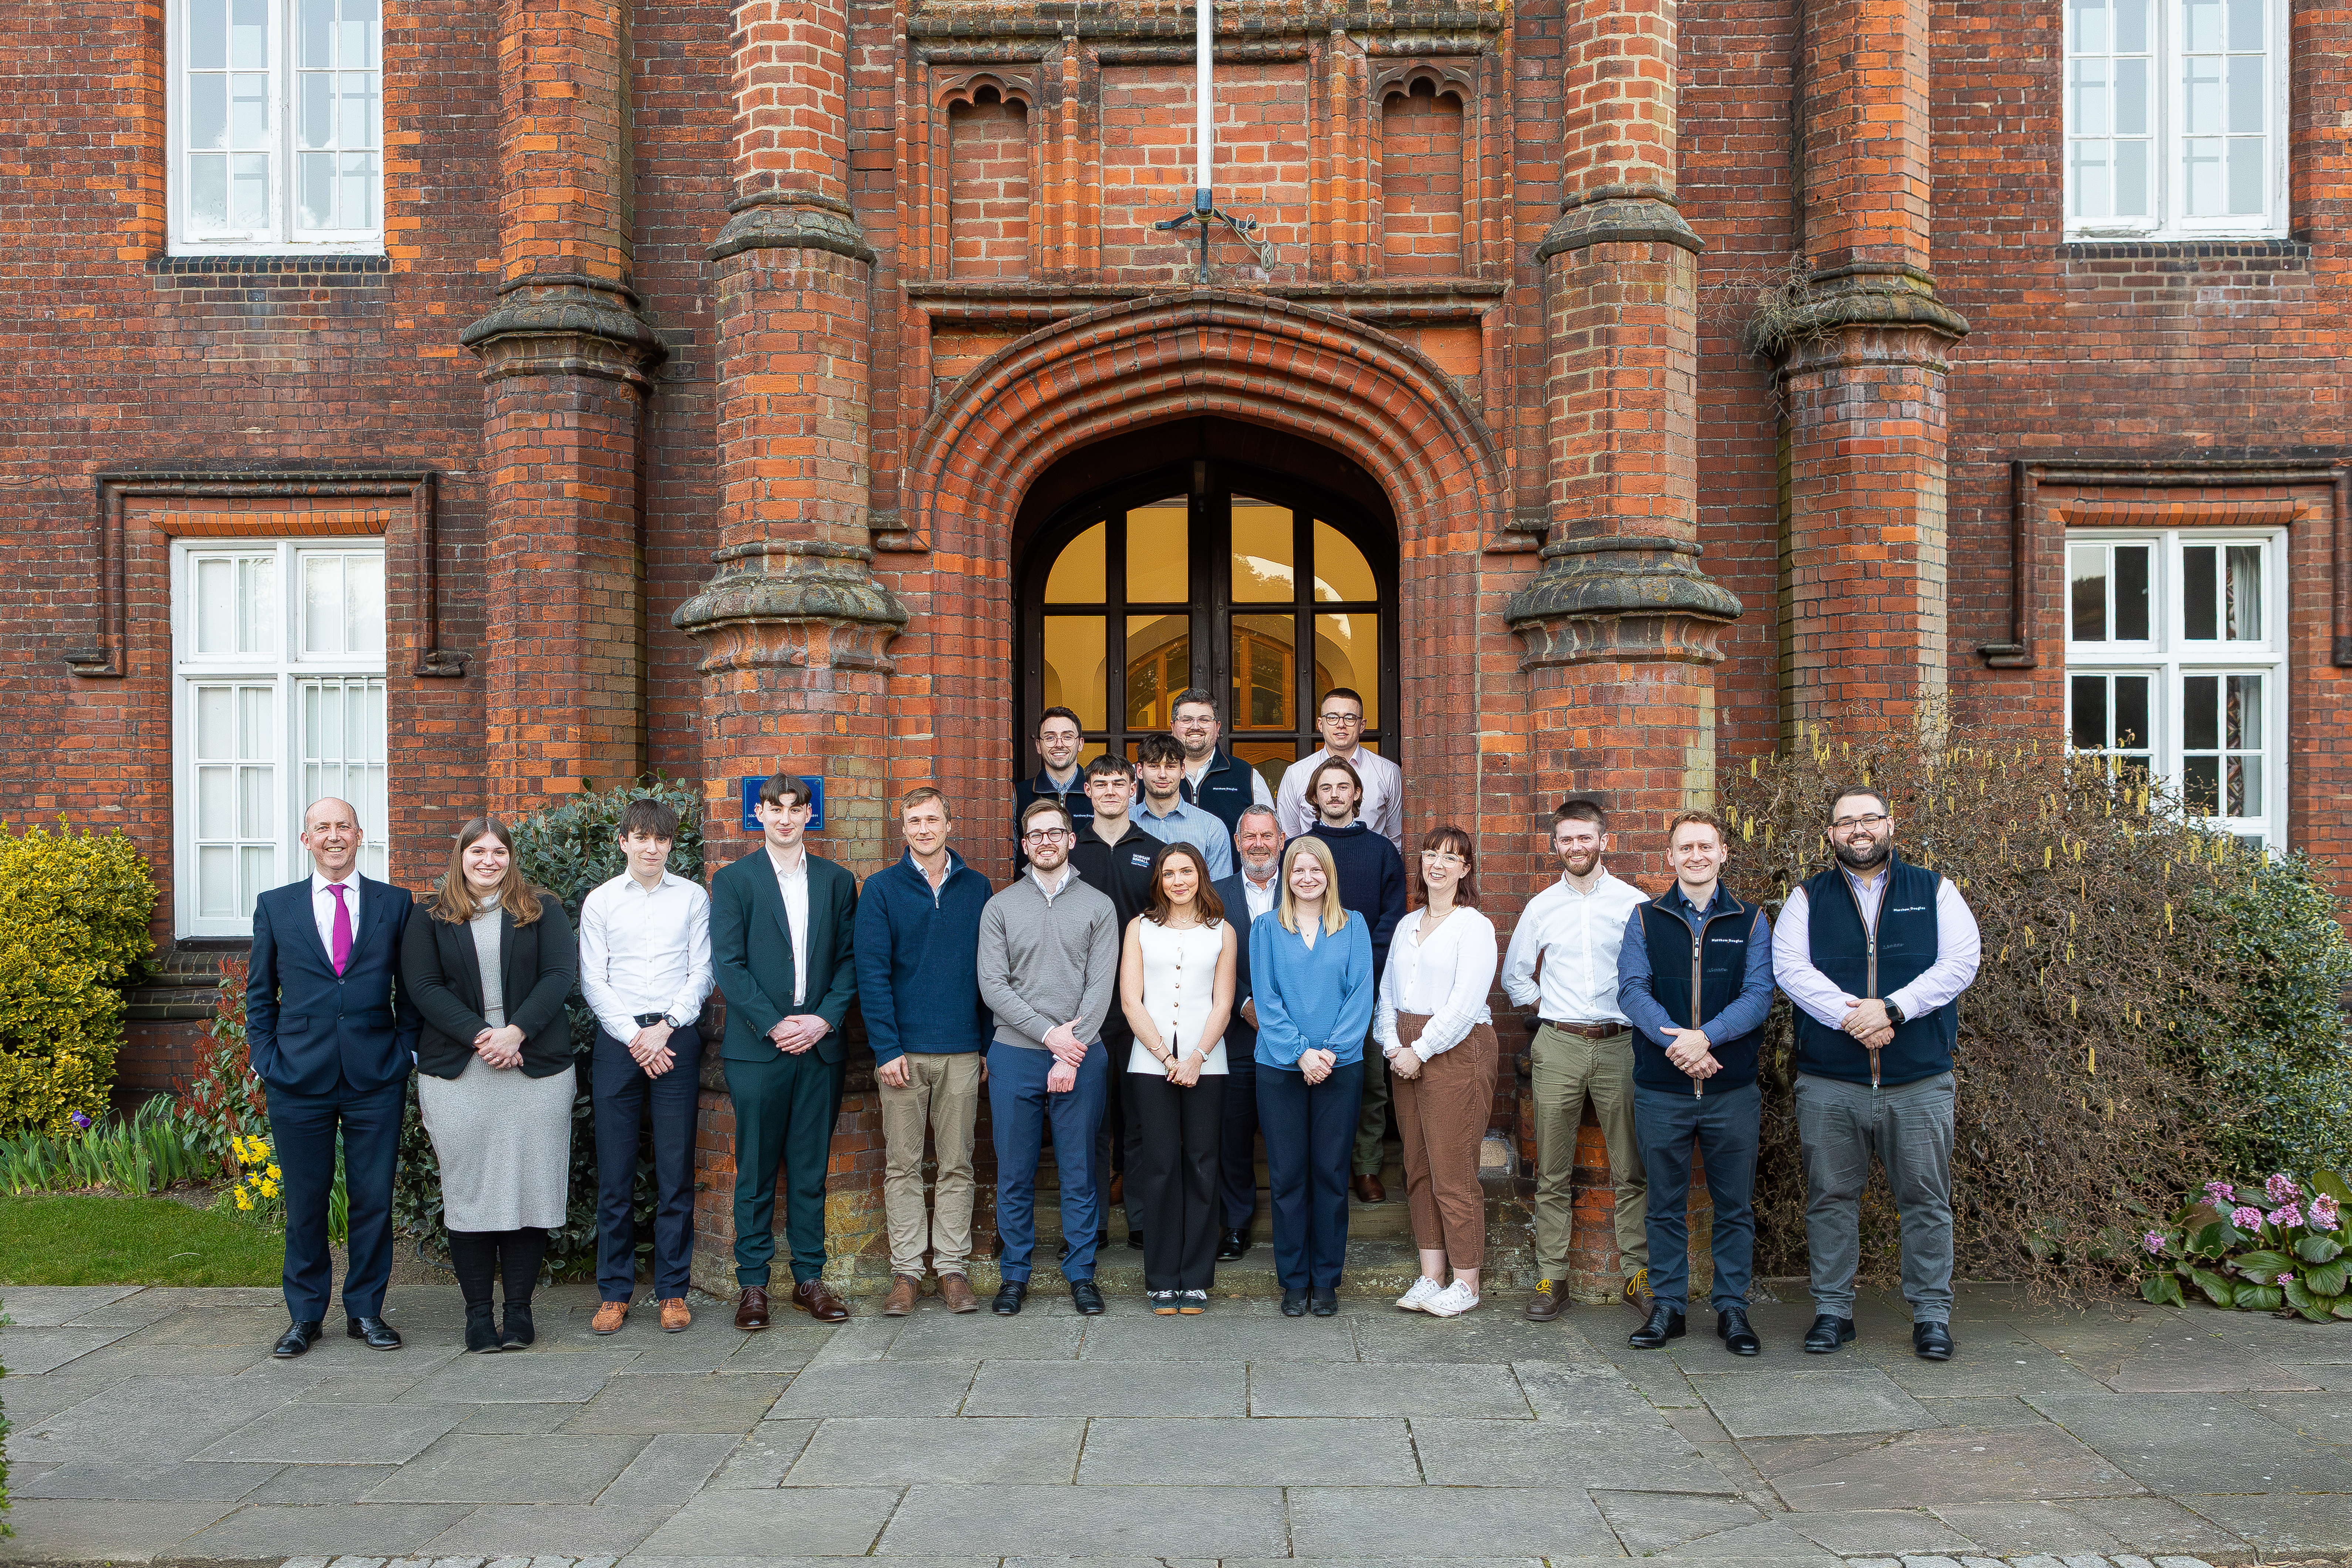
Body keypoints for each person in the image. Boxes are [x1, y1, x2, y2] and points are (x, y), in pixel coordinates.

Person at [1772, 784, 1982, 1363]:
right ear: (1831, 835)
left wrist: (1891, 1009)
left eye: (1870, 819)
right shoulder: (1807, 898)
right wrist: (1856, 1017)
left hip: (1919, 1083)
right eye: (1846, 822)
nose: (1859, 830)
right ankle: (1833, 1312)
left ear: (1892, 826)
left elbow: (1961, 962)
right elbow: (1790, 969)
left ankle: (1932, 1318)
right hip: (1830, 1083)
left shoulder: (1934, 890)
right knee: (1831, 1198)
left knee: (1925, 1199)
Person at [246, 796, 420, 1358]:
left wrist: (405, 1053)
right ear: (307, 841)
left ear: (360, 835)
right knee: (305, 1201)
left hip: (376, 1075)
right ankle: (304, 1317)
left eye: (343, 826)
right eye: (322, 828)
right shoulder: (277, 907)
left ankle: (366, 1311)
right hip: (297, 1077)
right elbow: (258, 996)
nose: (334, 836)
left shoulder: (395, 905)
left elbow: (412, 991)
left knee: (372, 1199)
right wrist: (266, 1059)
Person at [401, 817, 579, 1353]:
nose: (488, 861)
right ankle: (479, 1316)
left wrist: (516, 1031)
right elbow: (423, 987)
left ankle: (520, 1315)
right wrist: (484, 1036)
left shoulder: (542, 910)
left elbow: (559, 976)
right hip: (460, 1070)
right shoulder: (428, 917)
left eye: (498, 851)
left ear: (511, 858)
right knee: (470, 1190)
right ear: (460, 857)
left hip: (536, 1066)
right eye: (477, 851)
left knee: (530, 1184)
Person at [1618, 808, 1776, 1357]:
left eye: (1706, 847)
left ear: (1723, 853)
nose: (1696, 856)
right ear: (1671, 856)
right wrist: (1679, 1047)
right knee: (1664, 1203)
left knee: (1734, 1205)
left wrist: (1703, 1039)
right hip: (1662, 1090)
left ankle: (1732, 1308)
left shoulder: (1752, 922)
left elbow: (1758, 997)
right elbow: (1633, 993)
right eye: (1686, 848)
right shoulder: (1644, 919)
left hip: (1731, 1092)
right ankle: (1669, 1307)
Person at [711, 774, 861, 1328]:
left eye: (795, 810)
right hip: (757, 1050)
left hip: (820, 1048)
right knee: (754, 1170)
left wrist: (823, 1020)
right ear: (760, 813)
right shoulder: (733, 881)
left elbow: (851, 960)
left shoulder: (836, 881)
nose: (785, 818)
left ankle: (809, 1279)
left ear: (807, 817)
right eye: (775, 809)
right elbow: (729, 964)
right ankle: (752, 1285)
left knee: (808, 1169)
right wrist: (776, 1025)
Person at [1500, 798, 1652, 1323]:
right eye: (1566, 839)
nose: (1576, 847)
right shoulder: (1542, 906)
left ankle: (1637, 1275)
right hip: (1559, 1043)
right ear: (1555, 845)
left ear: (1604, 840)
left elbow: (1651, 975)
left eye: (1585, 837)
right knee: (1552, 1173)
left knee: (1631, 1167)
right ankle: (1552, 1278)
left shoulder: (1635, 904)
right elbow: (1515, 975)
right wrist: (1553, 1009)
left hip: (1621, 1044)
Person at [855, 786, 996, 1317]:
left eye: (932, 819)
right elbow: (871, 973)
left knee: (958, 1164)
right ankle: (908, 1272)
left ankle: (953, 1269)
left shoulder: (977, 887)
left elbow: (989, 973)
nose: (923, 829)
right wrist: (886, 1047)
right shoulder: (882, 889)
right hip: (903, 1055)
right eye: (913, 820)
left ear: (949, 824)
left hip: (962, 1050)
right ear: (903, 828)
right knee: (903, 1166)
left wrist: (986, 1044)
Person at [978, 798, 1121, 1317]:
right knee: (1014, 1172)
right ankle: (1015, 1274)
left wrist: (1071, 1051)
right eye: (1035, 834)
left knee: (1079, 1170)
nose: (1045, 841)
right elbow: (993, 985)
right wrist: (1048, 1038)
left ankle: (1081, 1273)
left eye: (1054, 833)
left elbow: (1100, 987)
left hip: (1083, 1056)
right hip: (1016, 1055)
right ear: (1024, 845)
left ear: (1070, 840)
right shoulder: (1000, 907)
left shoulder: (1099, 906)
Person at [578, 798, 713, 1337]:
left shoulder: (693, 898)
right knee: (615, 1173)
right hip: (620, 1041)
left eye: (660, 839)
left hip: (676, 1037)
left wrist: (666, 1028)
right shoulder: (602, 901)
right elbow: (593, 979)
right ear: (624, 842)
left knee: (675, 1172)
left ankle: (672, 1292)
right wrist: (636, 1036)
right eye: (641, 837)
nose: (651, 847)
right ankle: (614, 1293)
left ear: (670, 845)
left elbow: (703, 969)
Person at [1377, 825, 1499, 1318]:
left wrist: (1420, 1050)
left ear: (1465, 869)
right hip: (1405, 1051)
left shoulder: (1474, 927)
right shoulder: (1408, 925)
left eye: (1451, 858)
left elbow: (1466, 1004)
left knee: (1453, 1172)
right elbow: (1387, 993)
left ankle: (1467, 1282)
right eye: (1430, 855)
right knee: (1419, 1168)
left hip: (1455, 1052)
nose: (1438, 864)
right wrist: (1391, 1045)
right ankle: (1431, 1275)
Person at [1252, 834, 1375, 1317]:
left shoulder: (1354, 926)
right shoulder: (1266, 929)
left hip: (1339, 1068)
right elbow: (1267, 999)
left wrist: (1330, 1053)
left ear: (1329, 876)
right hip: (1279, 1067)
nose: (1307, 878)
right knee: (1286, 1177)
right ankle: (1293, 1280)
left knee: (1329, 1173)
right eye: (1298, 870)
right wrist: (1301, 1054)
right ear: (1287, 876)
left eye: (1316, 870)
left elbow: (1360, 996)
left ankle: (1325, 1279)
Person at [1119, 841, 1238, 1312]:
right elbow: (1131, 999)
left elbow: (1224, 1001)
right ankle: (1163, 1277)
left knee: (1202, 1165)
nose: (1178, 881)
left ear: (1200, 876)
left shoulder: (1222, 931)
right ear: (1160, 881)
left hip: (1208, 1062)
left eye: (1186, 872)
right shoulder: (1140, 928)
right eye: (1169, 873)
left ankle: (1195, 1277)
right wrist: (1166, 1059)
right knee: (1162, 1165)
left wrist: (1195, 1057)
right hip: (1151, 1064)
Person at [1299, 754, 1407, 1205]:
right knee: (1309, 1073)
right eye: (1326, 788)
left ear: (1358, 794)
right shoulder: (1299, 849)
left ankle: (1365, 1165)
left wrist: (1361, 968)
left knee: (1368, 1080)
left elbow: (1393, 918)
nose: (1335, 795)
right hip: (1307, 985)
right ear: (1314, 797)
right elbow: (1290, 912)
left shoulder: (1382, 851)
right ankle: (1316, 1167)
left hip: (1367, 984)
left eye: (1344, 787)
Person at [1067, 751, 1162, 1248]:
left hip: (1141, 1007)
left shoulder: (1156, 849)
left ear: (1134, 788)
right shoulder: (1068, 850)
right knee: (1091, 1126)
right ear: (1088, 792)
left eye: (1118, 782)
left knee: (1141, 1120)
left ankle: (1143, 1222)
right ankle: (1094, 1225)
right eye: (1099, 783)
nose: (1109, 790)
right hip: (1082, 1011)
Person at [1210, 805, 1284, 1259]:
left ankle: (1288, 1227)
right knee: (1231, 1138)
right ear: (1238, 843)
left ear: (1281, 841)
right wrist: (1243, 1002)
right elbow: (1206, 956)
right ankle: (1234, 1225)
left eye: (1267, 836)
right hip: (1233, 1036)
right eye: (1250, 836)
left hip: (1291, 1038)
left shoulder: (1303, 889)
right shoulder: (1214, 896)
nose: (1258, 844)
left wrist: (1273, 1009)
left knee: (1285, 1136)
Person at [1274, 686, 1404, 850]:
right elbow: (1290, 840)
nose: (1341, 725)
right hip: (1314, 872)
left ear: (1362, 725)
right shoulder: (1296, 774)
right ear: (1321, 724)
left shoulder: (1388, 773)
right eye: (1332, 717)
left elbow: (1395, 841)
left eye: (1350, 718)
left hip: (1368, 871)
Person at [1170, 686, 1274, 835]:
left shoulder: (1247, 776)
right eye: (1187, 720)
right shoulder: (1147, 776)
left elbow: (1269, 835)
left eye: (1204, 720)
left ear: (1217, 727)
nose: (1195, 727)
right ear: (1173, 727)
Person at [1133, 731, 1236, 879]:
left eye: (1170, 766)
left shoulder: (1211, 828)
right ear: (1140, 771)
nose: (1163, 774)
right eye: (1154, 766)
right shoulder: (1126, 824)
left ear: (1182, 771)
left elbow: (1219, 893)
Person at [1015, 706, 1095, 861]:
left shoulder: (1098, 792)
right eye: (1050, 738)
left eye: (1067, 737)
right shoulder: (1019, 794)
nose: (1059, 744)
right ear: (1039, 746)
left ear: (1080, 744)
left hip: (1088, 885)